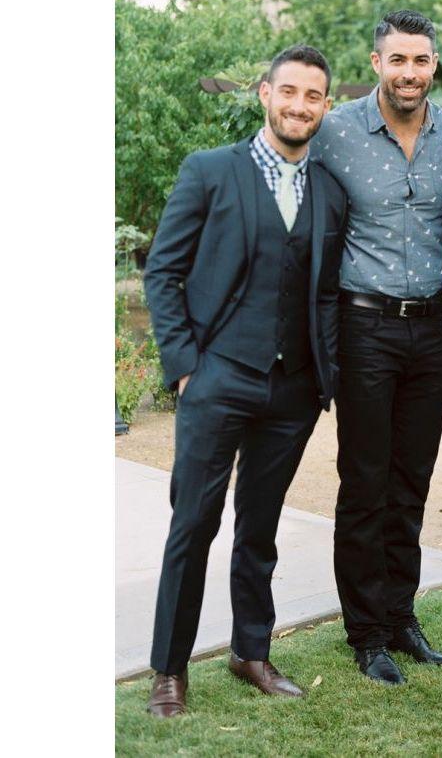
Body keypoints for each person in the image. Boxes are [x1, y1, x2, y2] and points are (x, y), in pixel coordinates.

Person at [142, 44, 347, 717]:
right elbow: (163, 271)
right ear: (265, 94)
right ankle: (169, 670)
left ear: (325, 105)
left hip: (293, 391)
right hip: (217, 378)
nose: (299, 106)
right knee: (193, 525)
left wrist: (323, 378)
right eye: (288, 91)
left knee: (260, 527)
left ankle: (250, 651)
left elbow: (324, 292)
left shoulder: (329, 189)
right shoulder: (210, 170)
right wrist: (185, 367)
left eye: (312, 96)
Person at [309, 10, 442, 685]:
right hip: (364, 327)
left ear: (434, 66)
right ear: (377, 62)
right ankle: (367, 633)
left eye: (421, 60)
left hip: (431, 330)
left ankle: (402, 618)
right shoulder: (336, 131)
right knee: (365, 481)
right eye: (398, 59)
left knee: (411, 481)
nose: (410, 72)